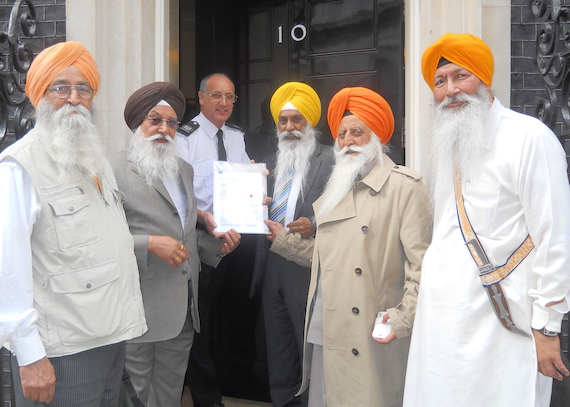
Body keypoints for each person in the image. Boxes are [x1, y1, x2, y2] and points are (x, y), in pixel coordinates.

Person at [403, 33, 570, 407]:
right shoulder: (451, 143)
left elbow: (555, 238)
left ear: (483, 77)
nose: (450, 91)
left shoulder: (529, 138)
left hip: (499, 326)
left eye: (461, 76)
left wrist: (547, 326)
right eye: (440, 81)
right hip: (441, 325)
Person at [0, 41, 147, 406]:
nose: (73, 98)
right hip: (61, 354)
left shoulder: (94, 158)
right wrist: (30, 354)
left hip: (111, 339)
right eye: (60, 87)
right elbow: (7, 269)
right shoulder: (19, 168)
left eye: (84, 89)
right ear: (38, 94)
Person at [265, 87, 432, 407]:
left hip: (372, 328)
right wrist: (283, 242)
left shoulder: (406, 186)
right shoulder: (334, 190)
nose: (347, 140)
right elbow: (326, 256)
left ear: (377, 137)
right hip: (328, 323)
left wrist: (401, 319)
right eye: (341, 134)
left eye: (358, 132)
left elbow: (422, 265)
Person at [108, 82, 241, 407]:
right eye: (155, 120)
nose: (164, 129)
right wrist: (149, 244)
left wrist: (216, 248)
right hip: (141, 310)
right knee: (138, 397)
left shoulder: (182, 169)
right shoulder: (112, 169)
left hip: (183, 310)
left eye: (171, 123)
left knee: (168, 396)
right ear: (138, 123)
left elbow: (182, 235)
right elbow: (101, 239)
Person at [250, 82, 334, 407]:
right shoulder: (269, 162)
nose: (289, 127)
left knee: (308, 349)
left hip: (306, 267)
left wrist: (314, 225)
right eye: (283, 121)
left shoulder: (331, 160)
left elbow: (345, 212)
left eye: (297, 119)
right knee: (278, 347)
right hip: (271, 265)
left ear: (310, 122)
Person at [175, 73, 250, 407]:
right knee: (200, 324)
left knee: (231, 317)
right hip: (200, 240)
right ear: (201, 97)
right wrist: (205, 220)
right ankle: (207, 400)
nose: (223, 103)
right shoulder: (183, 138)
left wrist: (255, 191)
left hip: (237, 240)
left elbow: (244, 186)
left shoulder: (236, 137)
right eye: (216, 95)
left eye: (230, 97)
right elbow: (178, 193)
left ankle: (238, 383)